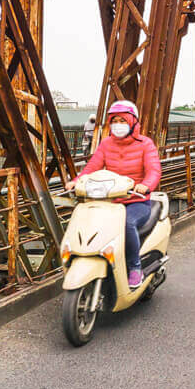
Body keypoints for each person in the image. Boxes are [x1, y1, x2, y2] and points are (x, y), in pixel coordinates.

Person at [66, 100, 160, 288]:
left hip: (136, 201)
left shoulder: (145, 144)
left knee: (127, 223)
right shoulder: (106, 144)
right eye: (114, 120)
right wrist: (76, 182)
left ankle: (135, 268)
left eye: (123, 120)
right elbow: (92, 167)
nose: (118, 124)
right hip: (109, 202)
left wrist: (145, 185)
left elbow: (154, 171)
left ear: (132, 121)